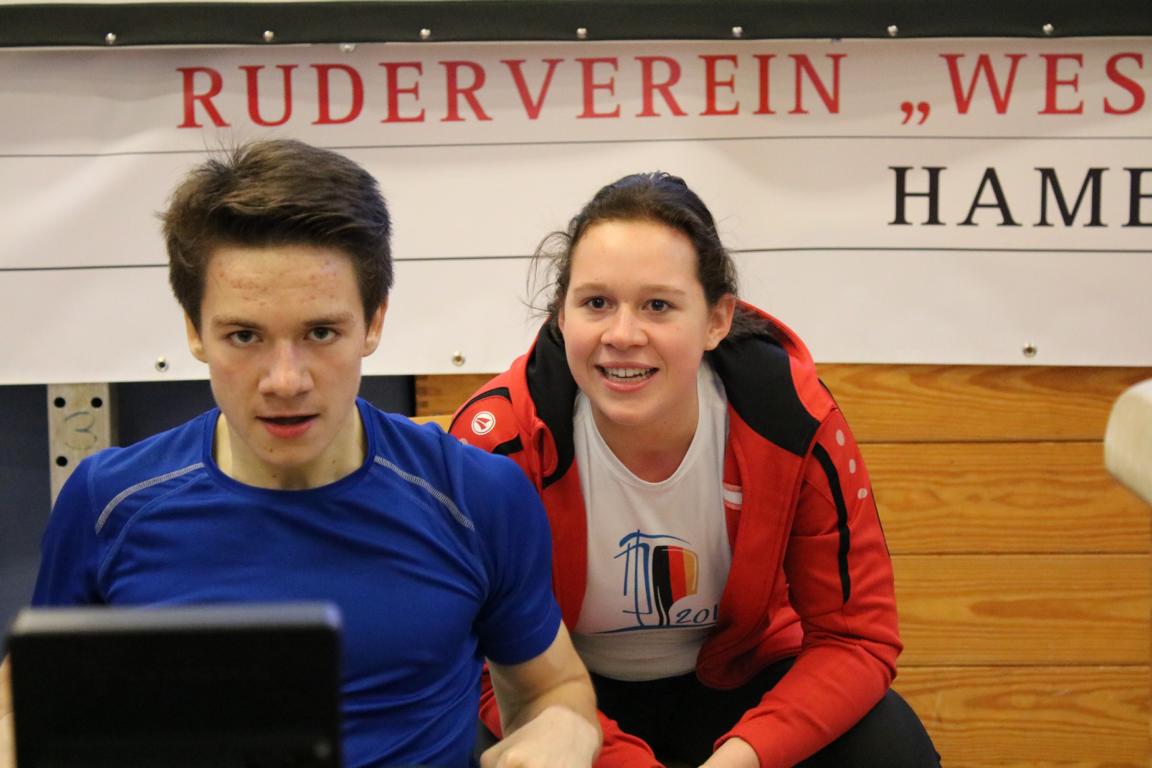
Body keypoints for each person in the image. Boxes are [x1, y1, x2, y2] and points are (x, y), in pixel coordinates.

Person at [8, 139, 601, 768]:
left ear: (374, 321)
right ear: (193, 330)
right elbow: (22, 710)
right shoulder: (108, 504)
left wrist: (564, 732)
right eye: (245, 336)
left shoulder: (475, 496)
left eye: (320, 332)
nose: (285, 380)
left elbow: (552, 690)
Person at [449, 172, 940, 768]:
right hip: (562, 698)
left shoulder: (792, 418)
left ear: (716, 320)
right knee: (454, 743)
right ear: (560, 315)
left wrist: (745, 757)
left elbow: (854, 637)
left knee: (889, 744)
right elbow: (478, 662)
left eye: (658, 305)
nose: (622, 335)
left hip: (736, 690)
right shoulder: (498, 440)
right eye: (596, 303)